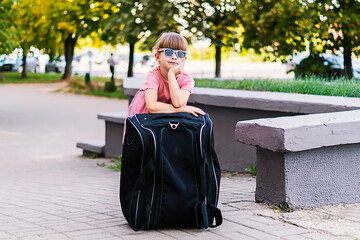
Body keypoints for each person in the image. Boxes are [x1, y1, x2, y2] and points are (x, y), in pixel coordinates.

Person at [127, 32, 205, 119]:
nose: (174, 57)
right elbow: (151, 107)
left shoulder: (187, 80)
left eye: (180, 54)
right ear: (157, 57)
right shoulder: (153, 75)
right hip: (146, 118)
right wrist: (181, 109)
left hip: (169, 118)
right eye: (168, 52)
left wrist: (171, 75)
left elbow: (178, 103)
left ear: (184, 60)